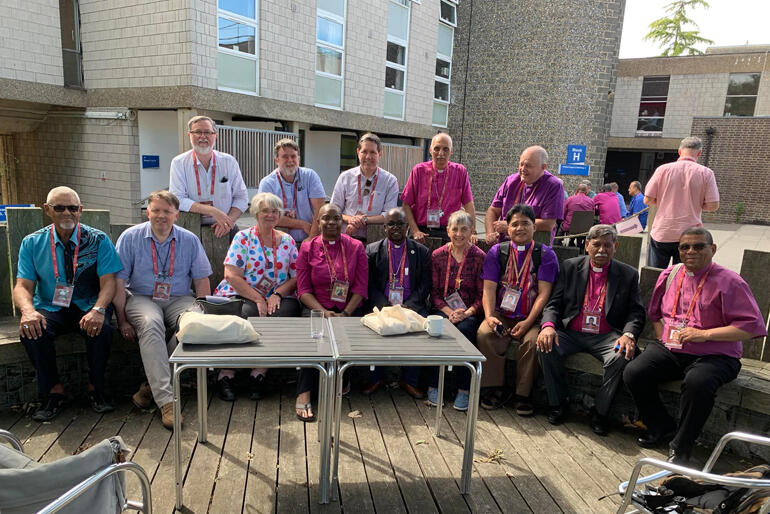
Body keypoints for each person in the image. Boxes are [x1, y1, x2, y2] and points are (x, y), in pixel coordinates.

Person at [623, 227, 766, 465]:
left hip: (716, 355)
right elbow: (655, 314)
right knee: (634, 372)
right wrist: (663, 339)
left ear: (713, 249)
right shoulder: (671, 274)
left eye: (698, 246)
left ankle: (681, 447)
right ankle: (662, 427)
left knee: (698, 383)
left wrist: (705, 334)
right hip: (672, 349)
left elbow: (752, 327)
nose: (690, 251)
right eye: (684, 247)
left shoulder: (730, 281)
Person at [15, 186, 123, 421]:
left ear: (80, 211)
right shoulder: (32, 243)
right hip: (50, 306)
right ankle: (53, 391)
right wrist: (28, 311)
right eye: (60, 208)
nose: (67, 213)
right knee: (32, 330)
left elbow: (109, 283)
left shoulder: (98, 240)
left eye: (72, 208)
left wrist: (98, 309)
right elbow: (23, 286)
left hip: (88, 304)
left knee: (102, 328)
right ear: (48, 210)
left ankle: (97, 388)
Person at [114, 190, 212, 430]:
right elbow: (117, 281)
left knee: (196, 325)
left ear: (176, 215)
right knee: (150, 323)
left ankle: (151, 387)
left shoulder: (189, 240)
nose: (161, 216)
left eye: (167, 211)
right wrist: (122, 320)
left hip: (179, 297)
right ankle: (167, 402)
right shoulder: (130, 237)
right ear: (147, 212)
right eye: (156, 210)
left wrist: (204, 306)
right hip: (140, 296)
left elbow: (201, 280)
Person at [537, 224, 645, 435]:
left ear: (616, 246)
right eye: (596, 244)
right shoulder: (570, 267)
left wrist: (628, 335)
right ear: (587, 245)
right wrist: (548, 326)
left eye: (607, 245)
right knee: (545, 346)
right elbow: (553, 303)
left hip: (606, 336)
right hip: (571, 333)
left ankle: (601, 413)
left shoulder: (628, 274)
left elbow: (636, 312)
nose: (601, 250)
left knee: (621, 356)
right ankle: (559, 403)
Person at [212, 192, 301, 402]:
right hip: (242, 293)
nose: (270, 215)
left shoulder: (287, 241)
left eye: (274, 211)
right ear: (256, 214)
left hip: (277, 295)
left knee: (282, 314)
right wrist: (258, 298)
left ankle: (258, 373)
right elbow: (231, 275)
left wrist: (277, 294)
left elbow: (297, 277)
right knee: (247, 315)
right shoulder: (243, 238)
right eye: (265, 211)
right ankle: (227, 374)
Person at [477, 205, 559, 413]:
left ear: (534, 227)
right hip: (501, 314)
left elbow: (544, 294)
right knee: (485, 334)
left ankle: (523, 394)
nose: (520, 228)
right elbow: (489, 289)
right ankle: (494, 388)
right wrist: (488, 317)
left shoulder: (545, 255)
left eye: (525, 223)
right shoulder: (497, 252)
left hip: (532, 316)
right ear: (508, 228)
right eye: (514, 224)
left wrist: (528, 322)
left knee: (533, 342)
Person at [295, 203, 368, 421]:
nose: (331, 222)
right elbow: (303, 290)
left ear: (342, 221)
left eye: (336, 218)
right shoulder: (307, 248)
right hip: (315, 307)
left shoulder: (356, 247)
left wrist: (345, 313)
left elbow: (361, 287)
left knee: (352, 327)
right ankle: (303, 392)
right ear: (318, 222)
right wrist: (323, 311)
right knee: (313, 331)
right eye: (326, 218)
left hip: (348, 307)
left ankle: (341, 379)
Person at [364, 207, 431, 395]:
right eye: (391, 224)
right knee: (372, 330)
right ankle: (376, 378)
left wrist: (408, 306)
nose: (395, 227)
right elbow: (368, 284)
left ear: (407, 227)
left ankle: (409, 380)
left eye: (400, 224)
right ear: (384, 227)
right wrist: (385, 306)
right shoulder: (372, 250)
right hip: (381, 306)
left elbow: (425, 285)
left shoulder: (421, 252)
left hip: (412, 306)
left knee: (422, 332)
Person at [427, 210, 486, 410]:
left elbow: (482, 296)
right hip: (443, 310)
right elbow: (434, 292)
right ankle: (434, 384)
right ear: (448, 230)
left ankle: (464, 389)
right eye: (455, 229)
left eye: (464, 229)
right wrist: (447, 311)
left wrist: (466, 313)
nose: (459, 234)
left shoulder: (479, 257)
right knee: (436, 331)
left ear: (471, 231)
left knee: (465, 331)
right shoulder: (438, 256)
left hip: (469, 312)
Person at [644, 136, 719, 268]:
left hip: (663, 231)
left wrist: (663, 201)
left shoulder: (662, 170)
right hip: (690, 235)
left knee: (654, 275)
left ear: (679, 151)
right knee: (684, 279)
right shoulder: (706, 173)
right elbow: (713, 206)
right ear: (699, 153)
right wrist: (697, 203)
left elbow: (648, 199)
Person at [169, 115, 249, 239]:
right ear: (189, 135)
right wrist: (211, 211)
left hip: (225, 229)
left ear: (215, 135)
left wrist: (229, 221)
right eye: (197, 132)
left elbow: (242, 197)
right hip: (191, 229)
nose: (203, 136)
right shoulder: (179, 163)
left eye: (207, 132)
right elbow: (177, 199)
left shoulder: (228, 161)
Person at [401, 133, 475, 244]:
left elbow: (468, 204)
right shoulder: (418, 170)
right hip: (421, 231)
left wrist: (472, 231)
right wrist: (415, 230)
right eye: (437, 149)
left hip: (450, 232)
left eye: (446, 149)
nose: (441, 153)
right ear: (430, 150)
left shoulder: (460, 171)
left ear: (451, 151)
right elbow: (406, 205)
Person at [485, 146, 564, 245]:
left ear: (543, 167)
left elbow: (548, 224)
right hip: (506, 245)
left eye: (528, 166)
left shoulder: (554, 186)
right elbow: (493, 210)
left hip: (536, 245)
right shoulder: (511, 181)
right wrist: (490, 233)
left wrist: (511, 225)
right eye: (521, 164)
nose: (523, 169)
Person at [331, 133, 399, 243]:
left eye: (373, 152)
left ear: (380, 154)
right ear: (358, 152)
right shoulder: (345, 177)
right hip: (346, 239)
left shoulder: (390, 181)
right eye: (364, 152)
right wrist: (351, 220)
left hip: (375, 241)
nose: (368, 157)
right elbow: (335, 210)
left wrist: (364, 220)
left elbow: (388, 215)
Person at [258, 138, 326, 244]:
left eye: (293, 156)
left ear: (298, 158)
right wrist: (301, 224)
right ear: (276, 159)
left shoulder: (310, 176)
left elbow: (320, 209)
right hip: (279, 244)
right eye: (285, 156)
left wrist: (311, 240)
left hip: (310, 239)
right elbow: (268, 216)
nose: (290, 160)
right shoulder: (267, 183)